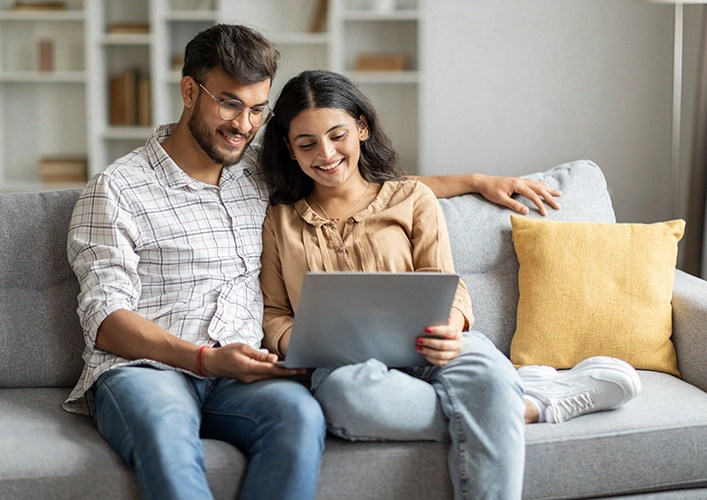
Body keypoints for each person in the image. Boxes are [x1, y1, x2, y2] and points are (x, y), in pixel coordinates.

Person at [62, 24, 572, 500]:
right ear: (190, 91)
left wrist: (477, 182)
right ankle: (508, 410)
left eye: (257, 109)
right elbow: (103, 319)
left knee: (301, 417)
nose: (243, 125)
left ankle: (499, 406)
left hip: (239, 375)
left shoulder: (253, 175)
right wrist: (205, 357)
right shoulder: (117, 189)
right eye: (229, 105)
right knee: (165, 428)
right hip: (149, 369)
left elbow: (361, 187)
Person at [258, 69, 642, 499]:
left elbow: (444, 281)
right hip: (345, 364)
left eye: (337, 135)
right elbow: (275, 312)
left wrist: (453, 323)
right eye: (306, 143)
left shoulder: (411, 198)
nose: (325, 154)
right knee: (350, 400)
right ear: (290, 151)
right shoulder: (279, 219)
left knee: (487, 374)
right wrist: (298, 343)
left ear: (361, 128)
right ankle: (528, 405)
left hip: (431, 341)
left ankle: (502, 396)